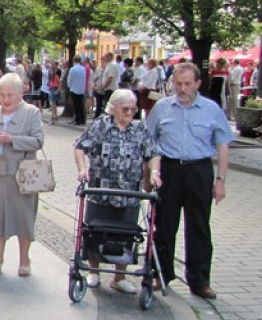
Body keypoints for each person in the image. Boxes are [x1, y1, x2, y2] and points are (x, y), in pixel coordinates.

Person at [145, 62, 233, 299]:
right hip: (169, 170)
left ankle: (199, 280)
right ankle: (160, 273)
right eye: (178, 83)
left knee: (199, 226)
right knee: (164, 225)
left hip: (198, 170)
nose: (182, 89)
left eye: (187, 84)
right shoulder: (162, 108)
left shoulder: (211, 109)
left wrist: (220, 180)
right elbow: (148, 143)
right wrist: (148, 175)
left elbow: (223, 145)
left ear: (197, 84)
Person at [73, 89, 161, 293]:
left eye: (133, 109)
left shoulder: (140, 129)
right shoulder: (101, 126)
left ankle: (119, 277)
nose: (130, 113)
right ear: (113, 109)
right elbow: (80, 147)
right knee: (95, 232)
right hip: (101, 191)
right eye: (125, 109)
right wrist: (82, 169)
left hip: (129, 193)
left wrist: (155, 172)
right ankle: (93, 272)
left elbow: (152, 153)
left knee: (126, 235)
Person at [0, 72, 46, 277]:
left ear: (20, 94)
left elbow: (38, 141)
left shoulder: (31, 113)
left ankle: (24, 259)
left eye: (10, 95)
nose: (5, 99)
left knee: (24, 218)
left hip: (23, 174)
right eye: (2, 95)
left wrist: (12, 139)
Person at [67, 55, 88, 125]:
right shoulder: (83, 69)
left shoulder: (72, 69)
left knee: (76, 106)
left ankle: (77, 120)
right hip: (81, 89)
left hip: (74, 89)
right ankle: (82, 119)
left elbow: (69, 79)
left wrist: (69, 86)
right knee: (81, 105)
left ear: (74, 61)